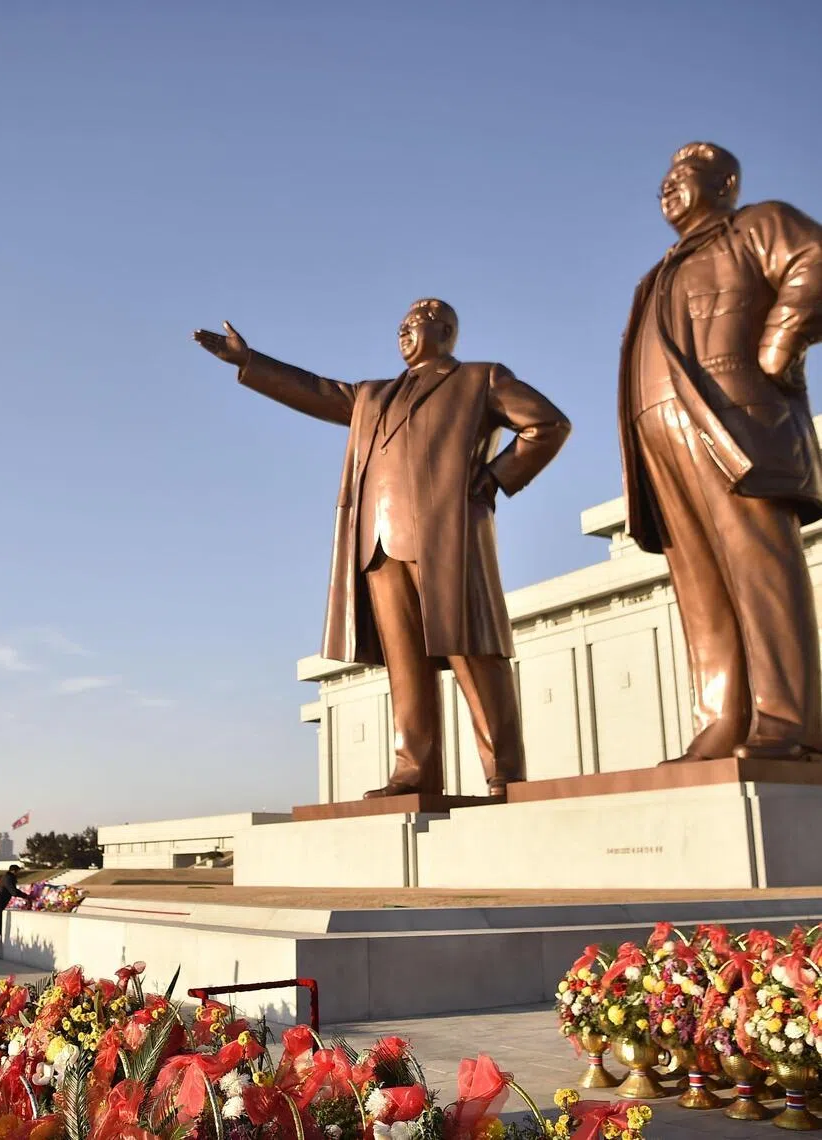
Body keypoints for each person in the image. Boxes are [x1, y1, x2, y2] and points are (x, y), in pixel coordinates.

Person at [194, 303, 570, 796]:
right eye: (400, 327)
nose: (403, 333)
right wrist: (251, 362)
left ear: (446, 331)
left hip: (446, 538)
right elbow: (317, 391)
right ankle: (414, 769)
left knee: (472, 650)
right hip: (377, 543)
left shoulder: (481, 379)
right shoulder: (373, 395)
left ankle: (503, 772)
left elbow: (547, 424)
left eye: (414, 324)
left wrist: (492, 479)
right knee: (404, 662)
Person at [617, 142, 822, 762]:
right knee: (699, 583)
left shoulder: (755, 225)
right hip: (663, 433)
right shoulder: (660, 271)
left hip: (733, 422)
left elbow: (814, 258)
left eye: (685, 175)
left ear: (725, 182)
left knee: (761, 569)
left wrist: (778, 345)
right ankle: (721, 720)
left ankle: (788, 723)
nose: (668, 186)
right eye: (665, 177)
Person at [0, 866, 31, 958]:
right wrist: (26, 896)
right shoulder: (9, 878)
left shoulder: (6, 877)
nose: (18, 873)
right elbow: (13, 892)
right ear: (14, 871)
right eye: (17, 871)